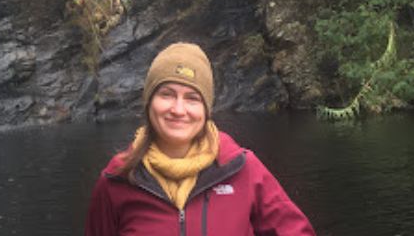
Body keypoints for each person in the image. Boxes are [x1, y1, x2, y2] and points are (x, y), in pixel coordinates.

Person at [85, 42, 315, 236]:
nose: (178, 109)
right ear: (149, 102)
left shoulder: (243, 169)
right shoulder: (116, 179)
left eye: (192, 98)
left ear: (206, 110)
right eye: (167, 94)